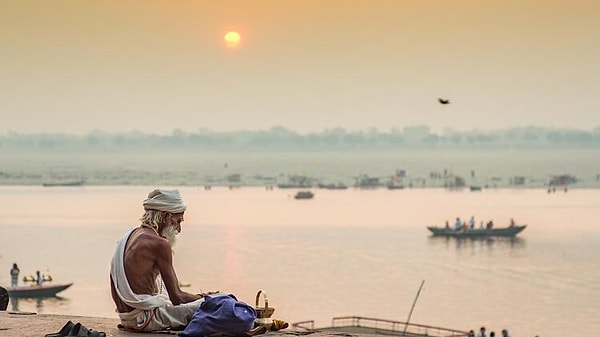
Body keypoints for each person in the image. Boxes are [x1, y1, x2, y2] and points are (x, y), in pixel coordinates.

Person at [110, 189, 216, 332]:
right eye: (178, 221)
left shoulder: (131, 234)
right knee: (222, 302)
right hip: (146, 319)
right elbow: (177, 297)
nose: (179, 229)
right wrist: (204, 297)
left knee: (212, 302)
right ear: (166, 216)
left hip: (128, 318)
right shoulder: (159, 243)